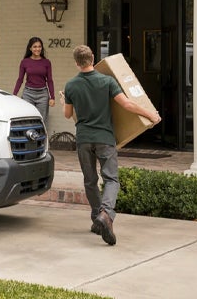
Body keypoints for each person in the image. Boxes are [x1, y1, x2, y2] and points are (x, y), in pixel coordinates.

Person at [60, 45, 161, 246]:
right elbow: (127, 105)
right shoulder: (106, 81)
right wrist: (151, 115)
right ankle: (106, 214)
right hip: (104, 138)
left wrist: (64, 100)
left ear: (76, 63)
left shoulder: (71, 85)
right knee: (112, 179)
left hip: (83, 139)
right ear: (93, 58)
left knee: (90, 181)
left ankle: (98, 219)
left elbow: (67, 114)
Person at [13, 37, 56, 126]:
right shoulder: (25, 62)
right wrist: (14, 94)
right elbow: (20, 79)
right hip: (28, 94)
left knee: (41, 121)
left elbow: (50, 80)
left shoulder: (46, 62)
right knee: (27, 119)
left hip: (43, 94)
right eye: (35, 47)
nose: (37, 49)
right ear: (30, 48)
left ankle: (40, 140)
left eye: (39, 46)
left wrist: (52, 97)